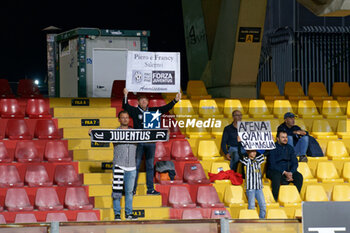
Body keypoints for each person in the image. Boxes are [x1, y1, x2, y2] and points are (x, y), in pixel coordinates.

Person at [122, 88, 181, 195]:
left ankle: (150, 189)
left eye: (145, 100)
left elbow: (165, 108)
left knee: (150, 166)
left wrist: (175, 100)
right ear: (138, 102)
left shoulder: (153, 111)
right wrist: (125, 95)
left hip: (150, 143)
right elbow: (125, 106)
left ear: (148, 102)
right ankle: (132, 190)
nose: (144, 102)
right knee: (136, 166)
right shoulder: (135, 111)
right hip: (139, 143)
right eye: (141, 100)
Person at [89, 111, 138, 220]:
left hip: (132, 167)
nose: (125, 119)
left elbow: (150, 136)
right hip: (119, 165)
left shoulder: (136, 133)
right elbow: (102, 137)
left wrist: (163, 133)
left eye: (126, 117)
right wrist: (92, 133)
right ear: (119, 119)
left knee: (130, 192)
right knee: (117, 191)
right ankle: (117, 214)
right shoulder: (114, 132)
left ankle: (129, 213)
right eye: (123, 117)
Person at [265, 130, 303, 201]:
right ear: (277, 138)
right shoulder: (272, 148)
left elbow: (295, 162)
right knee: (276, 177)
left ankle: (295, 196)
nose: (285, 139)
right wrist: (284, 172)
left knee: (299, 176)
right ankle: (275, 198)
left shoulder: (290, 148)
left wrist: (291, 172)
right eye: (283, 137)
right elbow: (272, 164)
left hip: (288, 171)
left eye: (286, 137)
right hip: (275, 170)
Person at [238, 137, 266, 219]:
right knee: (251, 206)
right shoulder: (246, 160)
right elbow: (240, 154)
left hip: (259, 187)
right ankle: (251, 221)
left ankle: (261, 220)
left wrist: (270, 141)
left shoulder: (258, 159)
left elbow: (267, 152)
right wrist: (239, 143)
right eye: (252, 151)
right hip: (250, 188)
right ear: (248, 151)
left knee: (263, 205)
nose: (254, 153)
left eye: (255, 151)